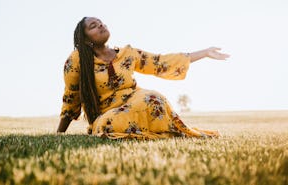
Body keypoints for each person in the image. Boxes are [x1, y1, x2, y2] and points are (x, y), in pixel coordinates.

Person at [57, 17, 230, 139]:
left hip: (134, 100)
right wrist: (60, 133)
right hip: (107, 112)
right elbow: (71, 96)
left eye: (101, 22)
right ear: (86, 39)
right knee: (107, 125)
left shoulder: (127, 53)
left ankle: (167, 131)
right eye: (94, 26)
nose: (101, 25)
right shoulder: (76, 60)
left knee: (154, 99)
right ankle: (152, 132)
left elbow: (160, 62)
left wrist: (205, 53)